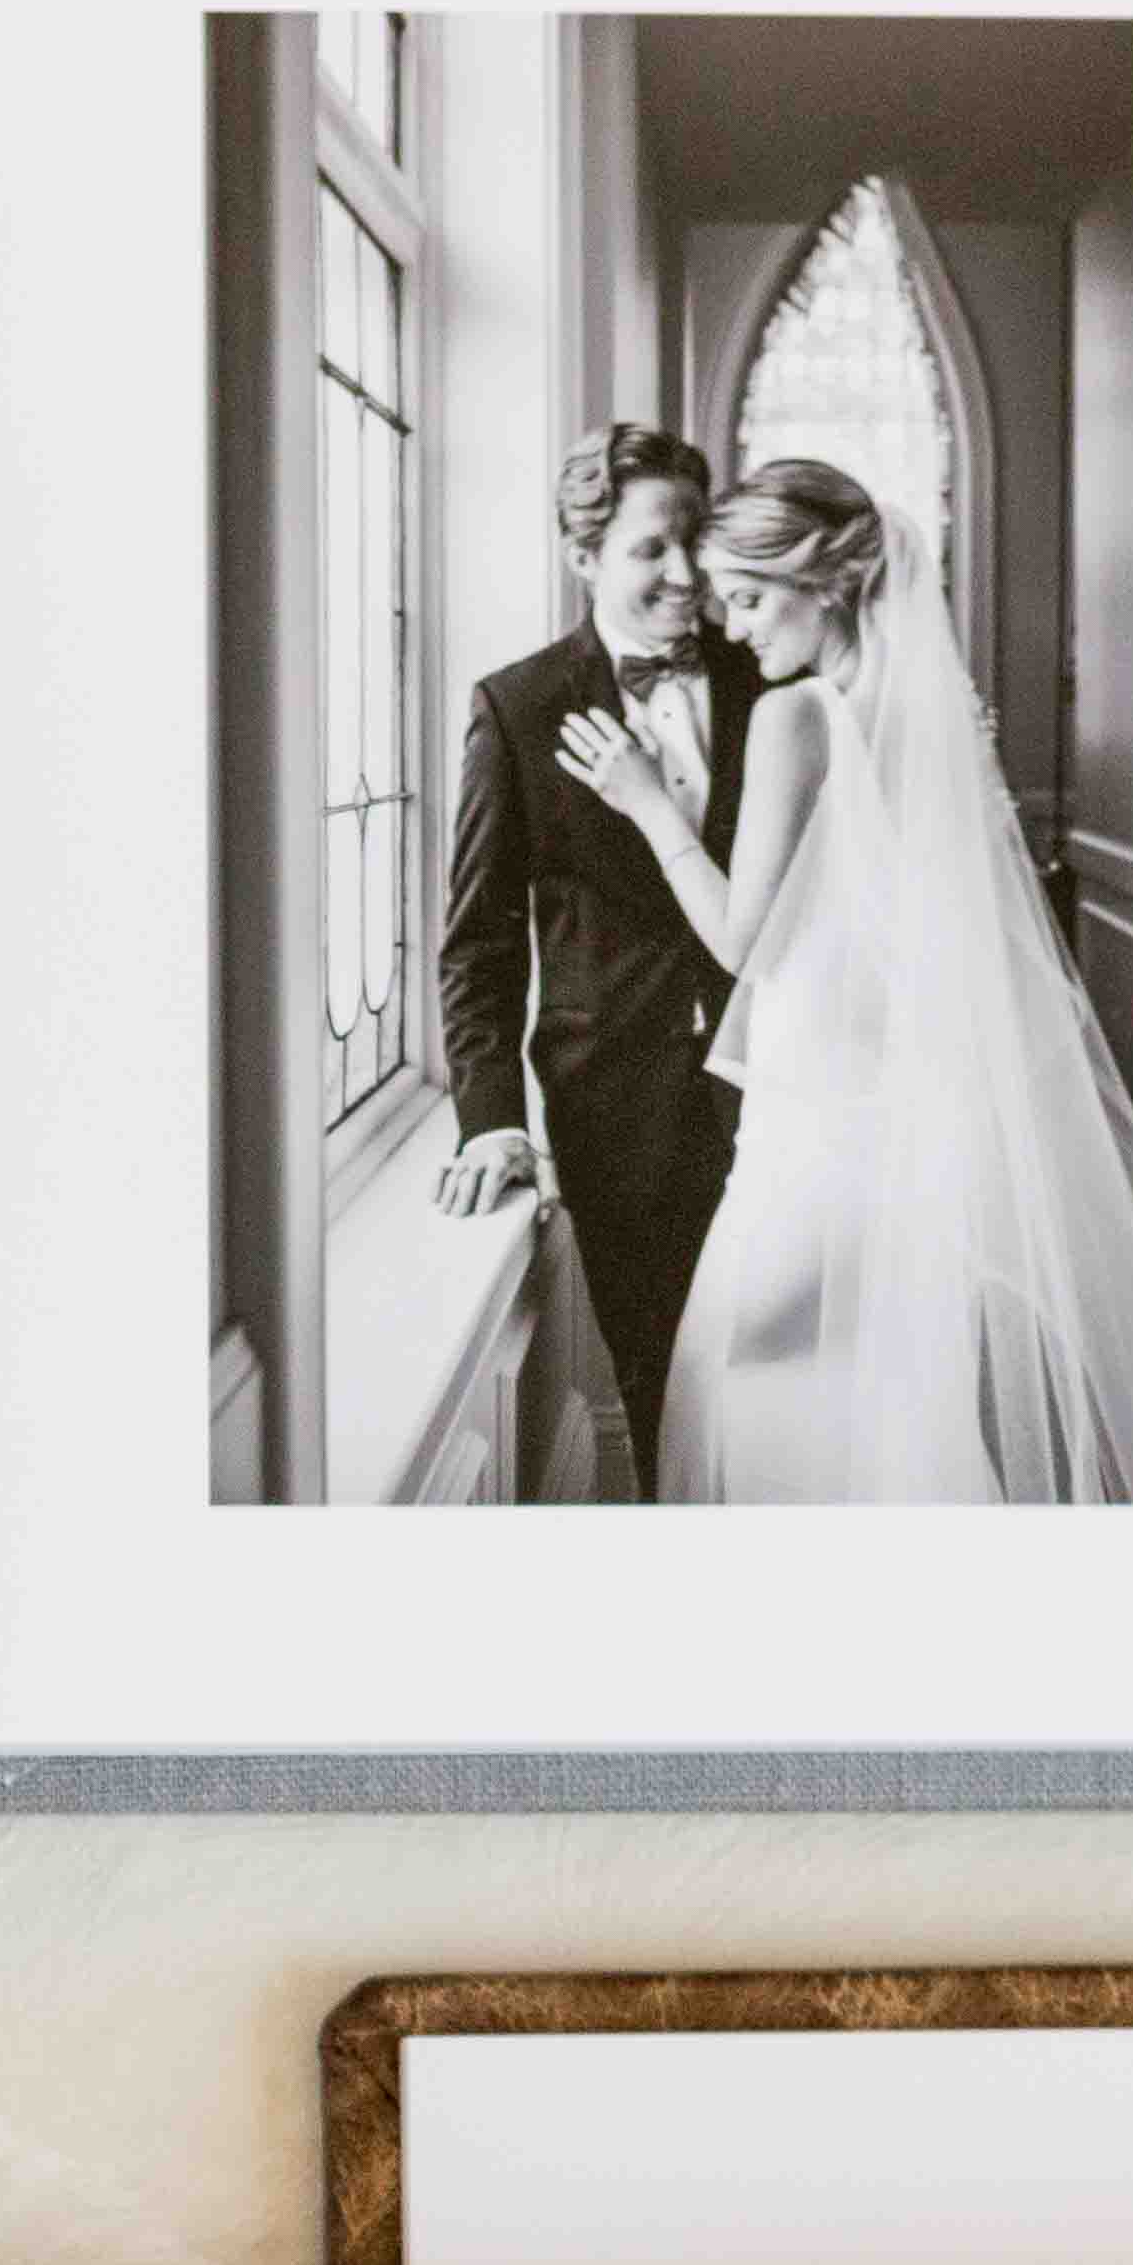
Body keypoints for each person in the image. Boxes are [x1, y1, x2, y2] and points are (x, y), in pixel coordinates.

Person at [551, 460, 1133, 1508]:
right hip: (910, 1113)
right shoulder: (935, 720)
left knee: (736, 1382)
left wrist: (647, 805)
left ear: (820, 583)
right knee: (892, 1394)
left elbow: (746, 945)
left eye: (745, 597)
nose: (731, 630)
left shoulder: (801, 717)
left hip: (820, 1126)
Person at [435, 422, 764, 1495]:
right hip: (616, 1110)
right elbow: (478, 942)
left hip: (786, 1091)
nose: (684, 574)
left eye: (693, 542)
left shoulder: (771, 677)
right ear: (583, 555)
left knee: (784, 1382)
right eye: (649, 549)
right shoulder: (518, 707)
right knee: (661, 1387)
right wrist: (491, 1118)